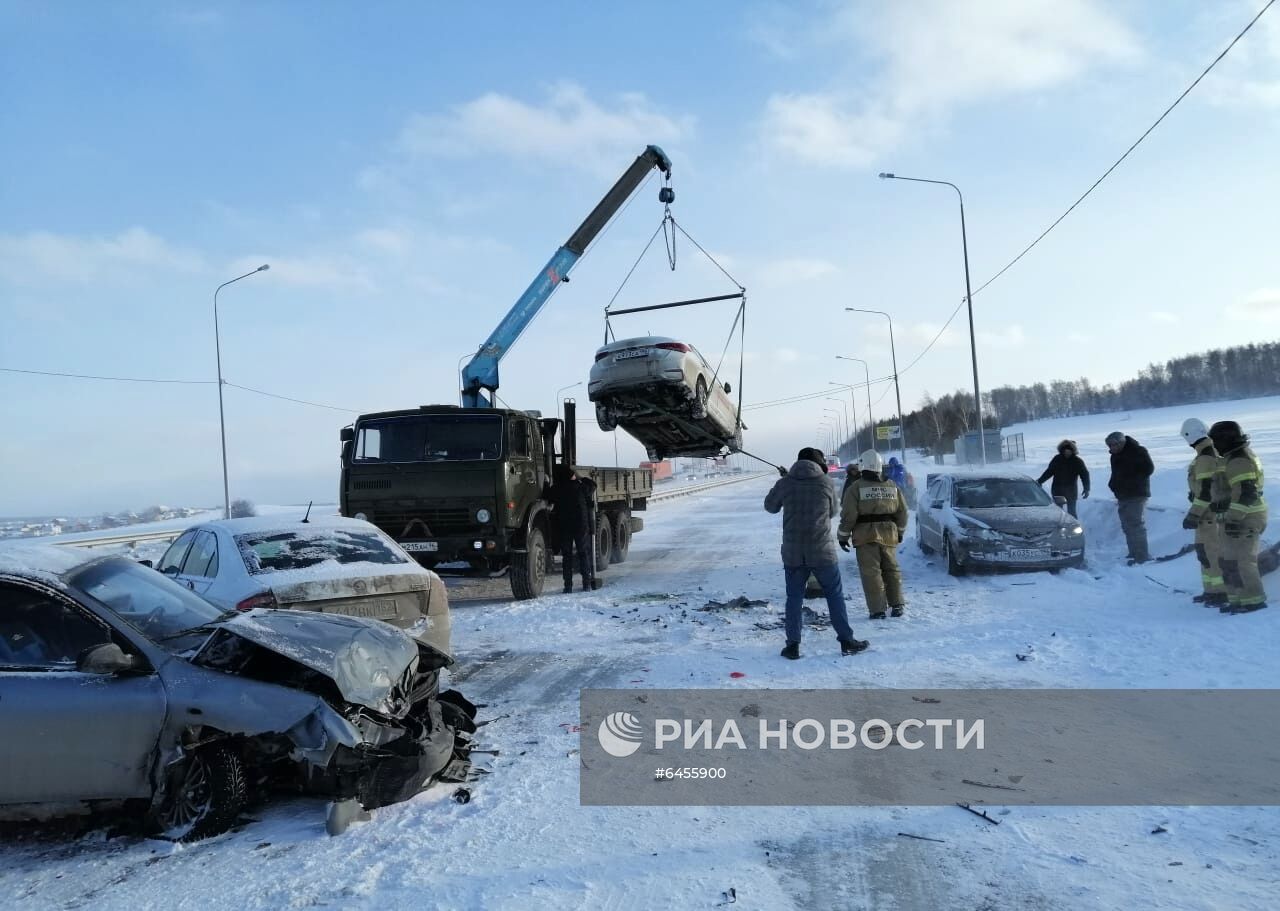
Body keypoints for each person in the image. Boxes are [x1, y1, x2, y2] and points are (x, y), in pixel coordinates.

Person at [764, 448, 869, 659]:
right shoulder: (826, 483)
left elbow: (770, 507)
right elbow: (832, 512)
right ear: (819, 464)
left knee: (793, 598)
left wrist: (785, 484)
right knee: (834, 595)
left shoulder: (785, 483)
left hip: (794, 553)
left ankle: (792, 646)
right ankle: (846, 640)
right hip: (822, 552)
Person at [838, 449, 909, 620]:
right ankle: (897, 604)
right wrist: (899, 532)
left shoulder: (855, 488)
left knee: (871, 573)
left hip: (865, 535)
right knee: (892, 569)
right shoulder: (892, 486)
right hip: (889, 534)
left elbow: (849, 516)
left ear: (863, 466)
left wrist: (842, 536)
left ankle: (877, 610)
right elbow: (903, 512)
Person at [1209, 421, 1268, 614]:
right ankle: (1237, 599)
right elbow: (1229, 489)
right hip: (1234, 516)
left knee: (1243, 560)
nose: (1214, 445)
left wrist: (1234, 518)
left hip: (1246, 517)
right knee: (1229, 560)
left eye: (1216, 441)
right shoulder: (1230, 458)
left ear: (1226, 440)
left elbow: (1246, 493)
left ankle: (1254, 601)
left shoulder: (1239, 460)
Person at [1180, 419, 1228, 607]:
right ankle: (1210, 591)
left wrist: (1193, 514)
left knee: (1212, 554)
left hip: (1208, 517)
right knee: (1204, 554)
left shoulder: (1206, 457)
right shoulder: (1206, 453)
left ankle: (1220, 593)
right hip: (1205, 517)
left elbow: (1206, 493)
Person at [1106, 430, 1154, 564]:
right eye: (1109, 446)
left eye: (1114, 445)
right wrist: (1113, 484)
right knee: (1126, 526)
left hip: (1137, 493)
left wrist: (1130, 480)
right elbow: (1115, 473)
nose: (1112, 448)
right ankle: (1133, 552)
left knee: (1136, 525)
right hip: (1122, 495)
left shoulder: (1137, 451)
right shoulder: (1114, 456)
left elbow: (1148, 469)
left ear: (1121, 442)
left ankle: (1142, 556)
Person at [550, 465, 596, 593]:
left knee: (567, 556)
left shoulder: (557, 488)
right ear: (571, 475)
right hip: (581, 526)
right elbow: (593, 485)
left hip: (564, 527)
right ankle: (586, 584)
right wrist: (580, 478)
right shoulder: (580, 486)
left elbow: (548, 496)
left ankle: (568, 586)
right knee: (583, 554)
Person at [1036, 440, 1091, 518]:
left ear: (1073, 451)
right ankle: (1059, 529)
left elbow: (1084, 475)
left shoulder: (1077, 461)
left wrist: (1086, 489)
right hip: (1058, 490)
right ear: (1062, 450)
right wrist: (1040, 481)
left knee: (1072, 512)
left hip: (1071, 491)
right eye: (1065, 451)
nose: (1067, 453)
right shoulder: (1057, 459)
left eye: (1069, 451)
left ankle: (1074, 528)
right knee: (1058, 512)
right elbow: (1049, 471)